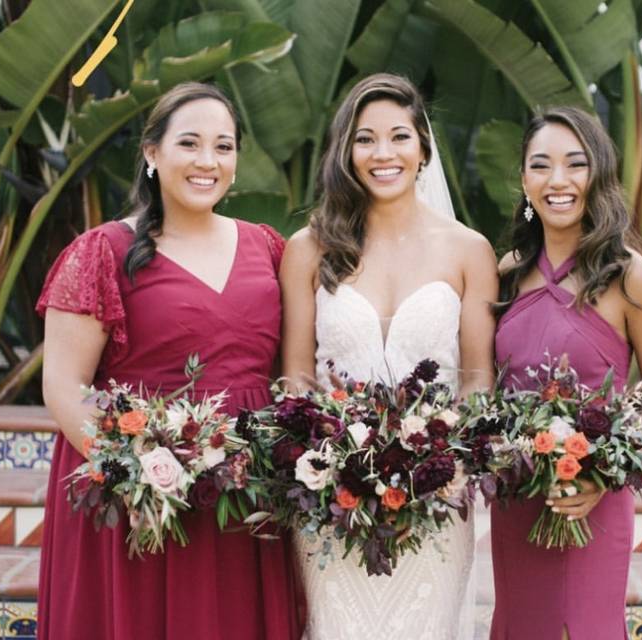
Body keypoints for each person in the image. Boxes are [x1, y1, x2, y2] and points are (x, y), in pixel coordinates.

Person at [35, 82, 301, 640]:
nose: (208, 162)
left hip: (244, 501)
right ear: (152, 154)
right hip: (139, 507)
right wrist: (142, 472)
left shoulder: (270, 248)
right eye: (190, 144)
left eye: (224, 147)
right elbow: (63, 385)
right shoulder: (102, 252)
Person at [280, 73, 498, 639]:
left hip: (436, 498)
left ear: (424, 147)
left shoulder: (469, 250)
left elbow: (477, 378)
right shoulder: (308, 249)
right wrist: (322, 463)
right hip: (332, 499)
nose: (384, 153)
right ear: (344, 152)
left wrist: (448, 462)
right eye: (365, 138)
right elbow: (297, 374)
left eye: (399, 136)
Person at [490, 106, 642, 639]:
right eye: (541, 166)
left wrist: (600, 470)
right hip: (518, 497)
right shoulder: (506, 274)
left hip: (593, 504)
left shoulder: (632, 278)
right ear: (525, 180)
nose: (558, 181)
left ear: (598, 175)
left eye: (575, 164)